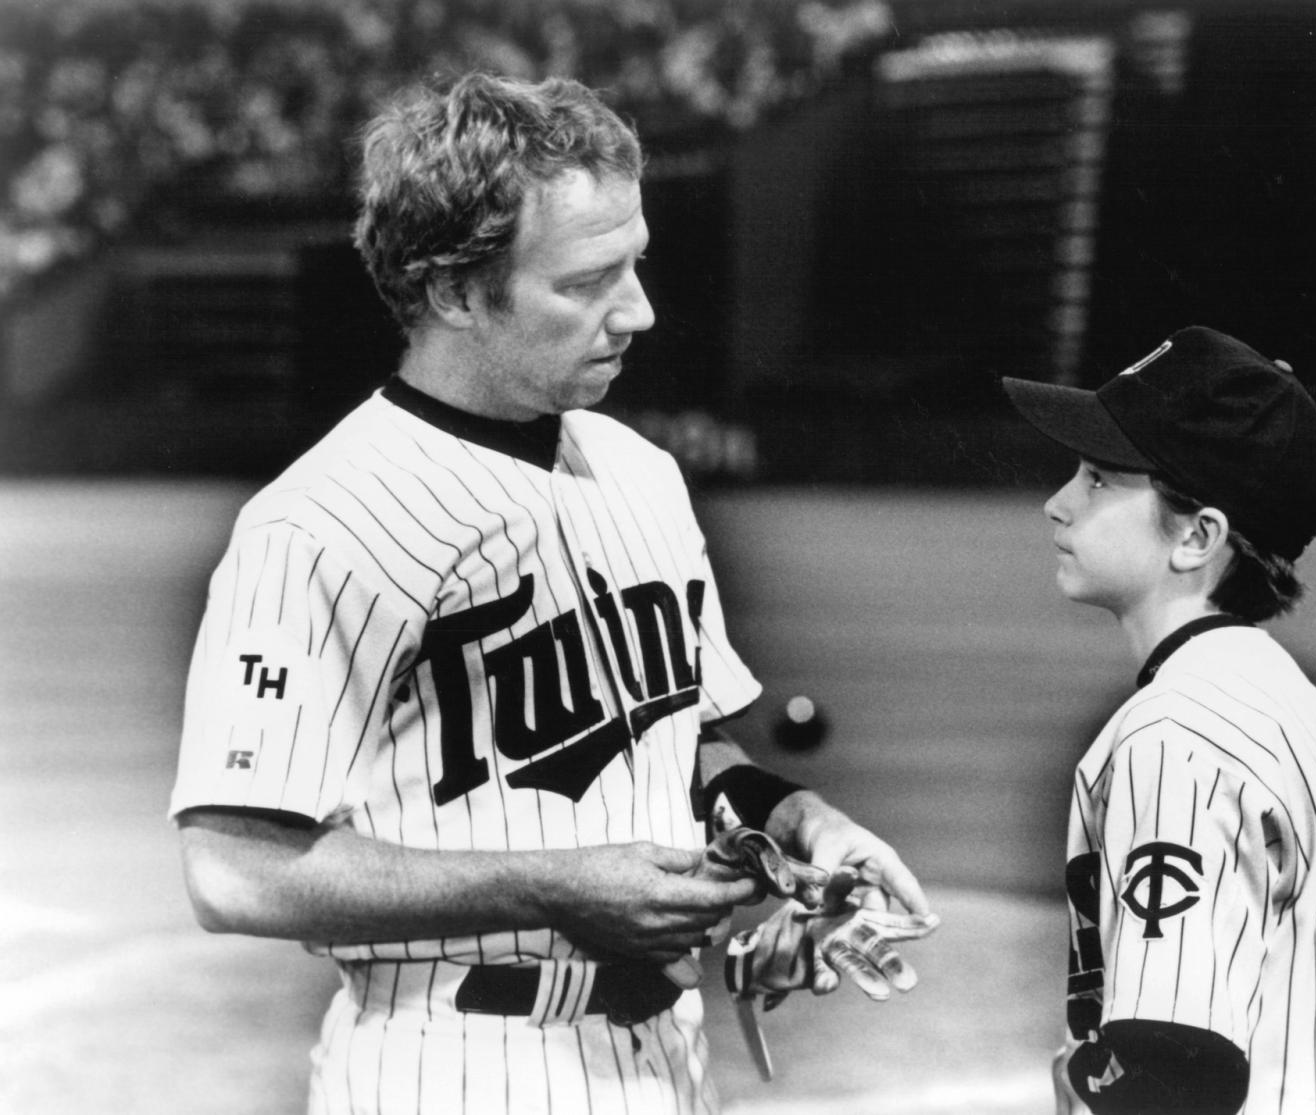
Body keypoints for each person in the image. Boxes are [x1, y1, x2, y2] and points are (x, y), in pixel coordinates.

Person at [170, 72, 935, 1115]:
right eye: (586, 280)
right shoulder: (324, 523)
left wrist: (799, 820)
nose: (640, 310)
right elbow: (234, 868)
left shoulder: (638, 472)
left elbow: (681, 741)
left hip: (666, 1060)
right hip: (454, 1064)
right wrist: (556, 885)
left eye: (635, 263)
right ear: (454, 291)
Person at [1002, 326, 1316, 1115]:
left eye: (1098, 479)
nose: (1058, 502)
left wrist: (1089, 1081)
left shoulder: (1175, 736)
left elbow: (1176, 1069)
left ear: (1197, 536)